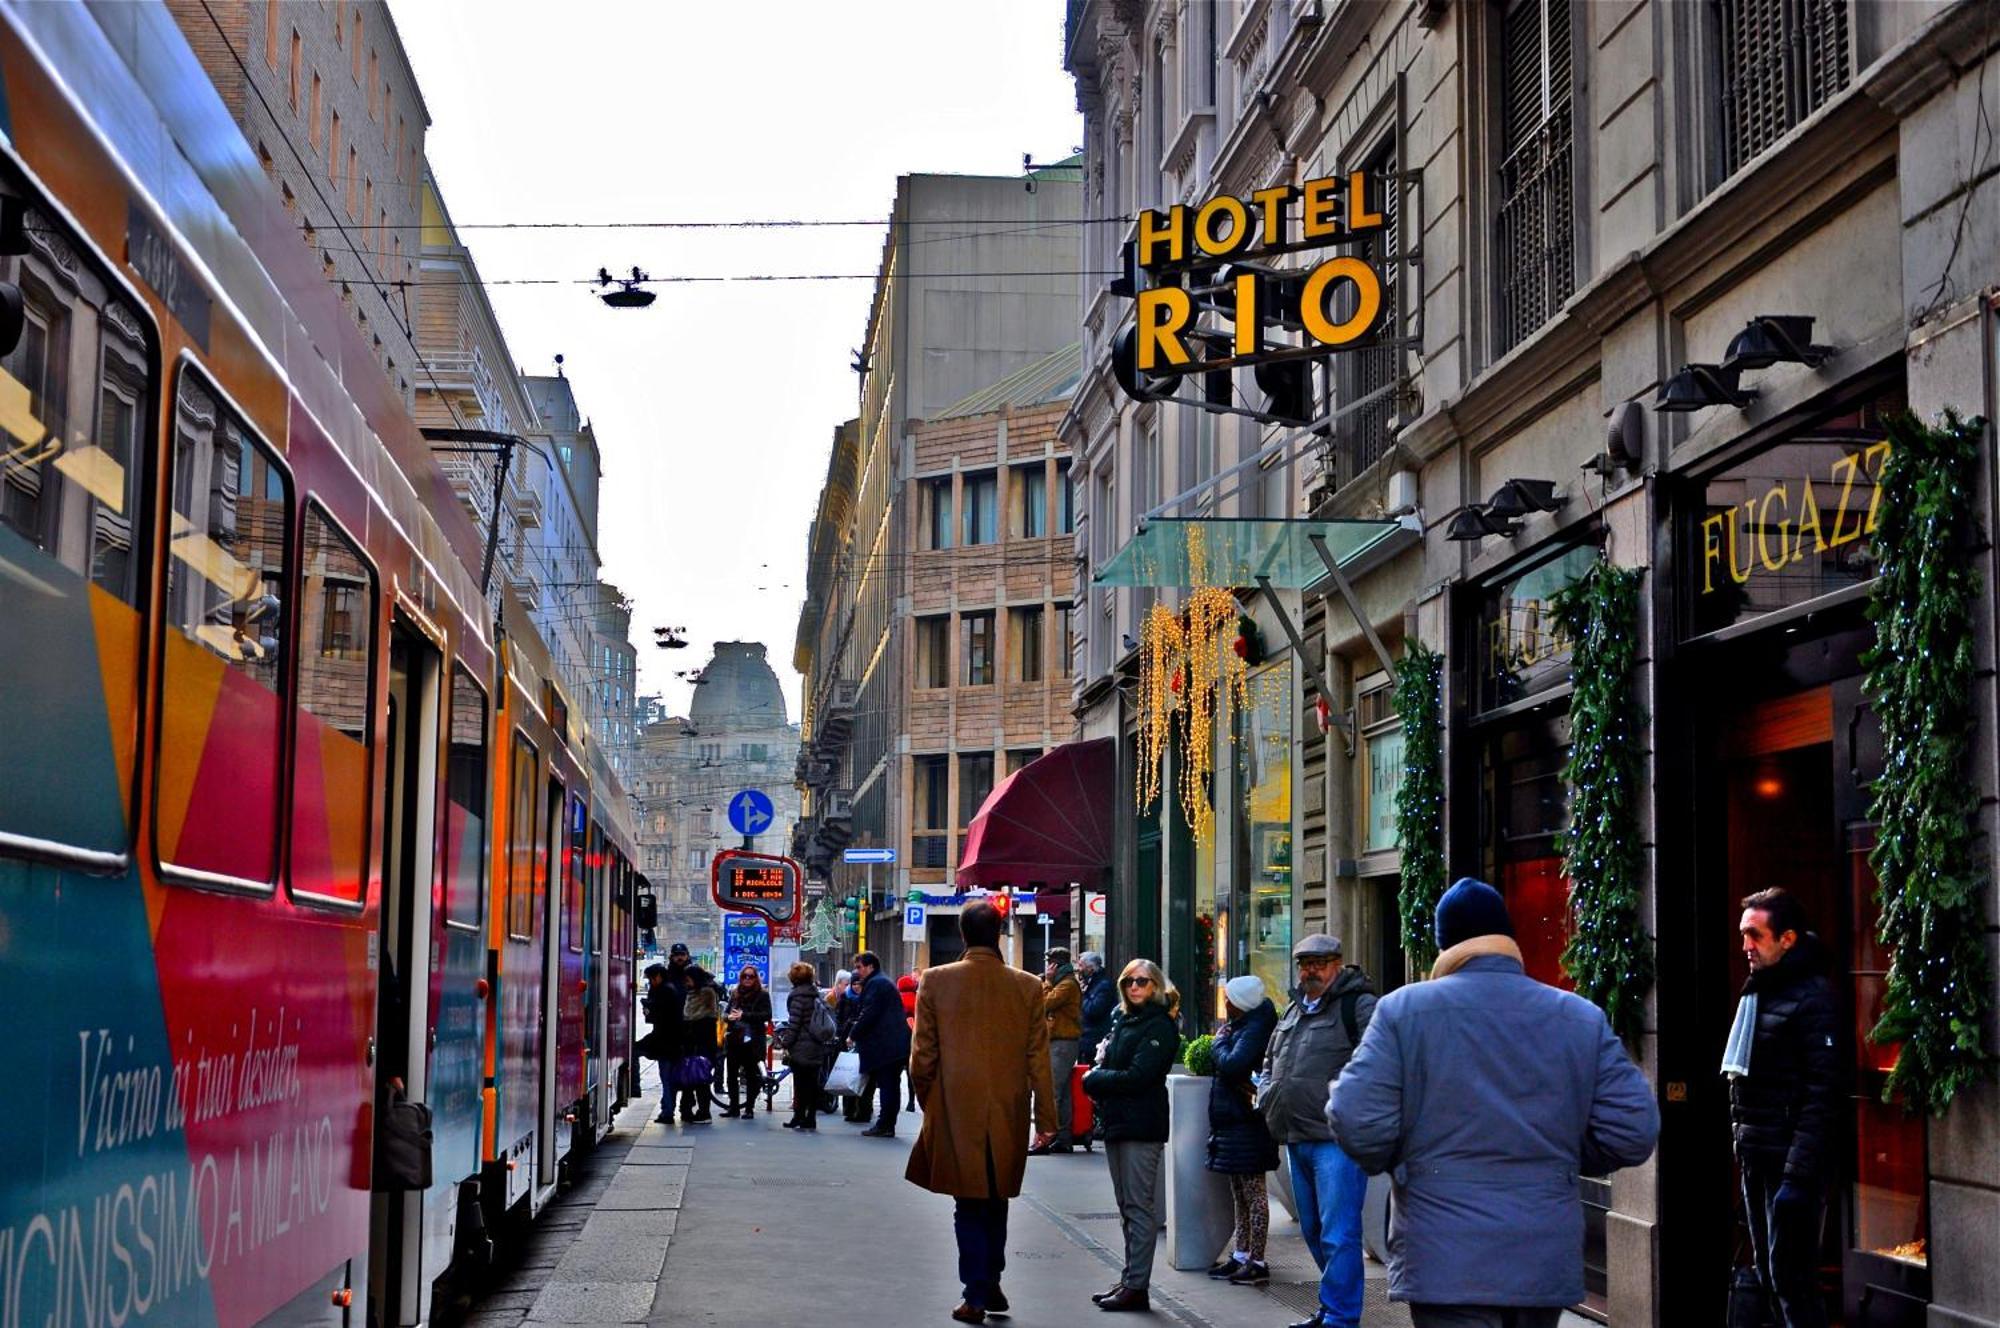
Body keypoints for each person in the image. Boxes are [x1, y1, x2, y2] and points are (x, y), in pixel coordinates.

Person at [1329, 878, 1660, 1328]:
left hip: (1444, 1253)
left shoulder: (1404, 1012)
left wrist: (1404, 1162)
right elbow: (1634, 1129)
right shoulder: (1578, 1017)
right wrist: (1560, 1155)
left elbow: (1354, 1116)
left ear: (1445, 944)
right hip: (1541, 1252)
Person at [906, 902, 1057, 1325]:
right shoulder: (1028, 986)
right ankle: (989, 1280)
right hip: (1008, 1108)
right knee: (995, 1198)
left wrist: (930, 1102)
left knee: (968, 1202)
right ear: (999, 932)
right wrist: (1046, 1119)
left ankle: (976, 1291)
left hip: (957, 1106)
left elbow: (922, 1056)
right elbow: (1038, 1060)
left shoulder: (935, 981)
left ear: (962, 933)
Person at [1724, 887, 1838, 1328]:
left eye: (1755, 935)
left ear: (1787, 938)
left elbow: (1821, 1095)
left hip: (1791, 1168)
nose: (1745, 946)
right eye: (1743, 935)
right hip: (1758, 1159)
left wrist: (1796, 1177)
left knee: (1792, 1281)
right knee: (1772, 1277)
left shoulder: (1813, 999)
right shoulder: (1758, 992)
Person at [1259, 934, 1376, 1328]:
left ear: (1337, 964)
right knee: (1312, 1228)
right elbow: (1270, 1058)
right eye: (1304, 963)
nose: (1310, 970)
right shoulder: (1293, 1009)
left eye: (1319, 962)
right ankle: (1332, 1305)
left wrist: (1348, 1107)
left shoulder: (1358, 1006)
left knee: (1339, 1233)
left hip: (1335, 1140)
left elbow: (1378, 1062)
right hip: (1295, 1135)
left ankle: (1342, 1316)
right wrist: (1265, 1093)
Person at [1081, 958, 1178, 1314]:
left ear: (1155, 986)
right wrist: (1102, 1076)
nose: (1134, 987)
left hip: (1142, 1124)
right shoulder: (1123, 1020)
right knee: (1126, 1206)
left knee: (1139, 1207)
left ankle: (1137, 1286)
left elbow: (1138, 1076)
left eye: (1142, 982)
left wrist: (1094, 1080)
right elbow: (1113, 1067)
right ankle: (1130, 1279)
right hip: (1117, 1121)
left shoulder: (1160, 1026)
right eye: (1128, 982)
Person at [1207, 974, 1280, 1286]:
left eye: (1230, 998)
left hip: (1248, 1122)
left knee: (1254, 1192)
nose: (1225, 1002)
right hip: (1234, 1119)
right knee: (1240, 1191)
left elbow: (1233, 1064)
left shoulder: (1254, 1028)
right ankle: (1241, 1254)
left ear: (1241, 1003)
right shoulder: (1243, 1026)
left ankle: (1257, 1260)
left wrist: (1219, 1043)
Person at [848, 950, 912, 1137]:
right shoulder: (881, 981)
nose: (857, 971)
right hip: (894, 1044)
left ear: (870, 966)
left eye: (859, 967)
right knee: (891, 1084)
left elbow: (869, 1013)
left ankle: (885, 1124)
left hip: (886, 1045)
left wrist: (853, 1034)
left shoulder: (876, 984)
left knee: (887, 1084)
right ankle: (887, 1123)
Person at [1032, 947, 1083, 1155]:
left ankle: (1048, 1137)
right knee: (1061, 1092)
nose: (1047, 967)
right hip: (1059, 1041)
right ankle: (1062, 1137)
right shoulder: (1065, 982)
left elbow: (1044, 1004)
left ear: (1056, 965)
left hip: (1063, 1043)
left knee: (1052, 1090)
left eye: (1049, 962)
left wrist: (1047, 982)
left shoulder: (1067, 984)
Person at [776, 962, 835, 1130]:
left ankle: (799, 1116)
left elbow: (794, 1023)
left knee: (800, 1084)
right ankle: (810, 1118)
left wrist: (785, 1042)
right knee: (812, 1084)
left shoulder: (797, 997)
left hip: (802, 1047)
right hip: (816, 1045)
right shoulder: (815, 994)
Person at [672, 948, 722, 1124]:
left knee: (700, 1080)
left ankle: (704, 1112)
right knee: (688, 1080)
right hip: (690, 1046)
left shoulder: (706, 993)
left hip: (702, 1046)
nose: (686, 982)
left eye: (688, 979)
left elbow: (704, 1019)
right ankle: (686, 1111)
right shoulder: (692, 993)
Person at [719, 965, 772, 1119]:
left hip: (753, 1040)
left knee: (751, 1075)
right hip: (735, 1038)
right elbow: (726, 1012)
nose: (747, 979)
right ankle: (733, 1107)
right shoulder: (735, 993)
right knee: (731, 1075)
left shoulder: (762, 995)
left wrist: (744, 1015)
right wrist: (728, 1017)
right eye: (745, 976)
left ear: (756, 978)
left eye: (751, 976)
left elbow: (767, 1014)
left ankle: (749, 1108)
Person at [640, 962, 680, 1123]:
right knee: (667, 1078)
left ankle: (668, 1111)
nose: (650, 982)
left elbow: (661, 1016)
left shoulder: (665, 991)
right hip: (668, 1040)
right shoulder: (667, 989)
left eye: (651, 979)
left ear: (658, 977)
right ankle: (667, 1109)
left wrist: (649, 1007)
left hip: (666, 1041)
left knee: (666, 1078)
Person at [1078, 951, 1116, 1066]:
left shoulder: (1104, 985)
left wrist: (1082, 995)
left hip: (1095, 1040)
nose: (1079, 970)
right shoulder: (1092, 984)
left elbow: (1093, 1010)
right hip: (1087, 1039)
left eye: (1081, 966)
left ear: (1090, 968)